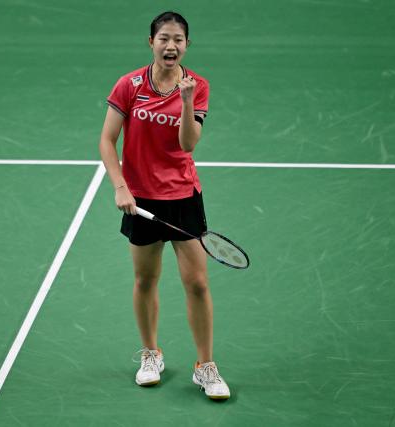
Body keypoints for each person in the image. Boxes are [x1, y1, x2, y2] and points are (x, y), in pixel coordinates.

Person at [98, 11, 230, 400]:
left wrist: (187, 102)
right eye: (164, 39)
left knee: (198, 283)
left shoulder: (198, 86)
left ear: (187, 45)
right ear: (151, 42)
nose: (171, 46)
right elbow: (107, 141)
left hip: (183, 197)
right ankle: (150, 354)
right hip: (139, 200)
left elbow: (188, 144)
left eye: (178, 39)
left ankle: (205, 366)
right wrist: (121, 186)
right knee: (145, 280)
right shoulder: (130, 85)